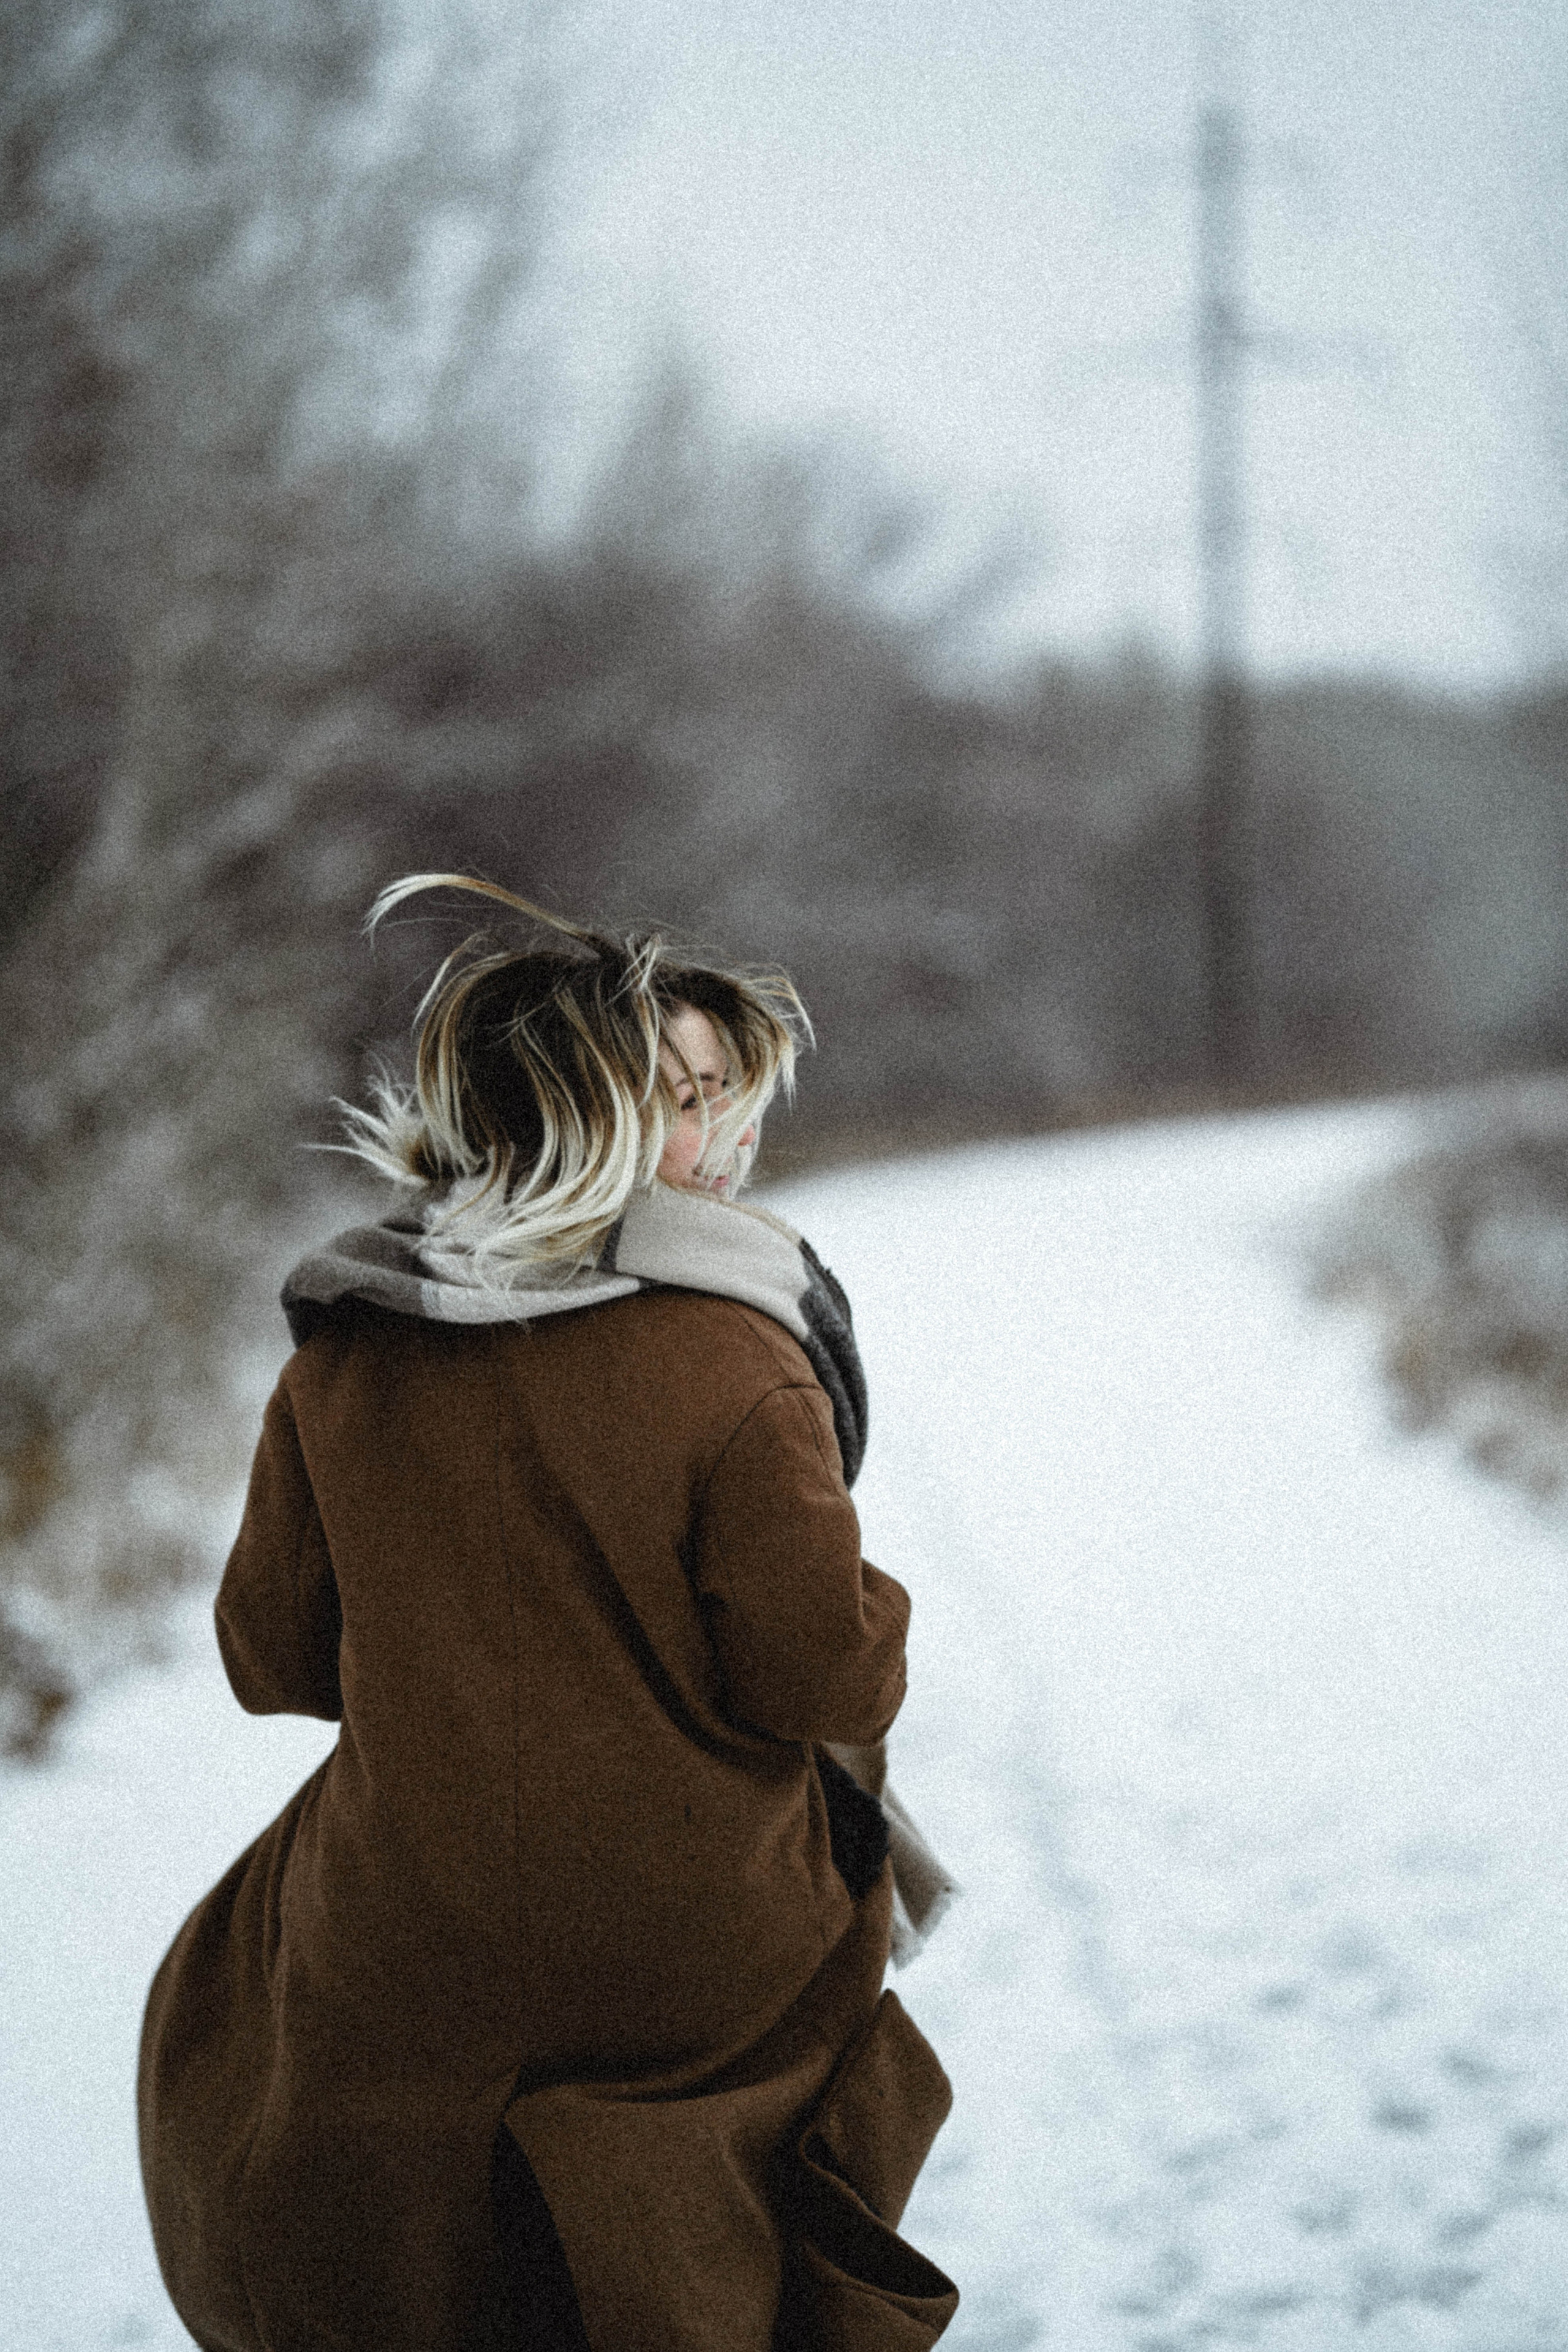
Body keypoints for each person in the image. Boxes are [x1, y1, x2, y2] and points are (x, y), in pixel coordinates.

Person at [137, 875, 959, 2352]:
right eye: (686, 1101)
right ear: (574, 1120)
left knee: (272, 2023)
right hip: (699, 1944)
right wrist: (871, 1600)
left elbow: (273, 1659)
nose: (728, 1136)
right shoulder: (739, 1355)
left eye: (726, 1093)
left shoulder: (344, 1350)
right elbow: (821, 1682)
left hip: (410, 1925)